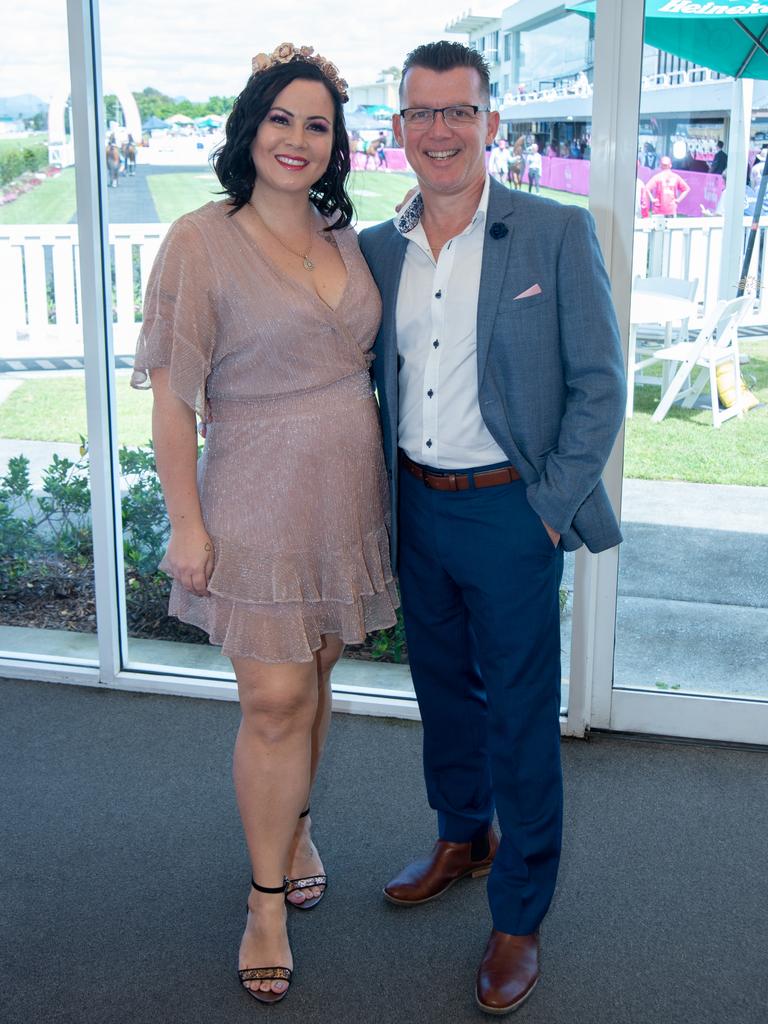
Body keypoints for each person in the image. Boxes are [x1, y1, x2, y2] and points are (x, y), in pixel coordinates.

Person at [359, 40, 625, 1016]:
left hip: (514, 513)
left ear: (490, 124)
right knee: (443, 694)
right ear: (398, 130)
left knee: (520, 718)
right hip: (417, 508)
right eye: (421, 112)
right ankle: (464, 836)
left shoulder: (553, 232)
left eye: (458, 110)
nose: (439, 129)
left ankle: (520, 910)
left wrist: (549, 510)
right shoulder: (379, 249)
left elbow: (601, 386)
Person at [131, 42, 398, 1005]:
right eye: (281, 119)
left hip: (346, 496)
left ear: (336, 145)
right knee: (273, 700)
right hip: (253, 495)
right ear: (250, 130)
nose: (298, 138)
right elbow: (172, 401)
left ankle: (295, 824)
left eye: (317, 123)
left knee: (317, 679)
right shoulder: (202, 241)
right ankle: (264, 902)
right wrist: (186, 524)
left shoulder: (346, 238)